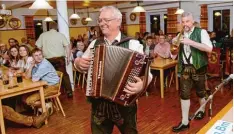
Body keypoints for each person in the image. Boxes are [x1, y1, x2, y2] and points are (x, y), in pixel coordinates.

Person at [74, 6, 152, 134]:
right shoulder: (95, 44)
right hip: (99, 105)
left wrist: (141, 85)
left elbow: (147, 74)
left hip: (124, 105)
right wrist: (78, 63)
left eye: (106, 20)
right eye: (100, 20)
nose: (102, 23)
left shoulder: (133, 44)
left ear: (118, 21)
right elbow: (80, 64)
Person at [171, 12, 213, 133]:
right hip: (185, 68)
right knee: (184, 94)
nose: (185, 24)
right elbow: (174, 55)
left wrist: (191, 42)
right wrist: (174, 48)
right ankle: (185, 122)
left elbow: (209, 48)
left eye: (187, 21)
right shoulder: (179, 35)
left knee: (201, 92)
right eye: (183, 22)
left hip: (199, 67)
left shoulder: (201, 32)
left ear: (192, 21)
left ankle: (201, 110)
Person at [35, 22, 73, 98]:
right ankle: (69, 92)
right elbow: (67, 47)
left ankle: (51, 92)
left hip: (48, 60)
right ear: (57, 27)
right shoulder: (61, 35)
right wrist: (68, 57)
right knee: (64, 75)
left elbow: (38, 47)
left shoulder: (43, 35)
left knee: (48, 75)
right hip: (60, 59)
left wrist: (41, 55)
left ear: (49, 27)